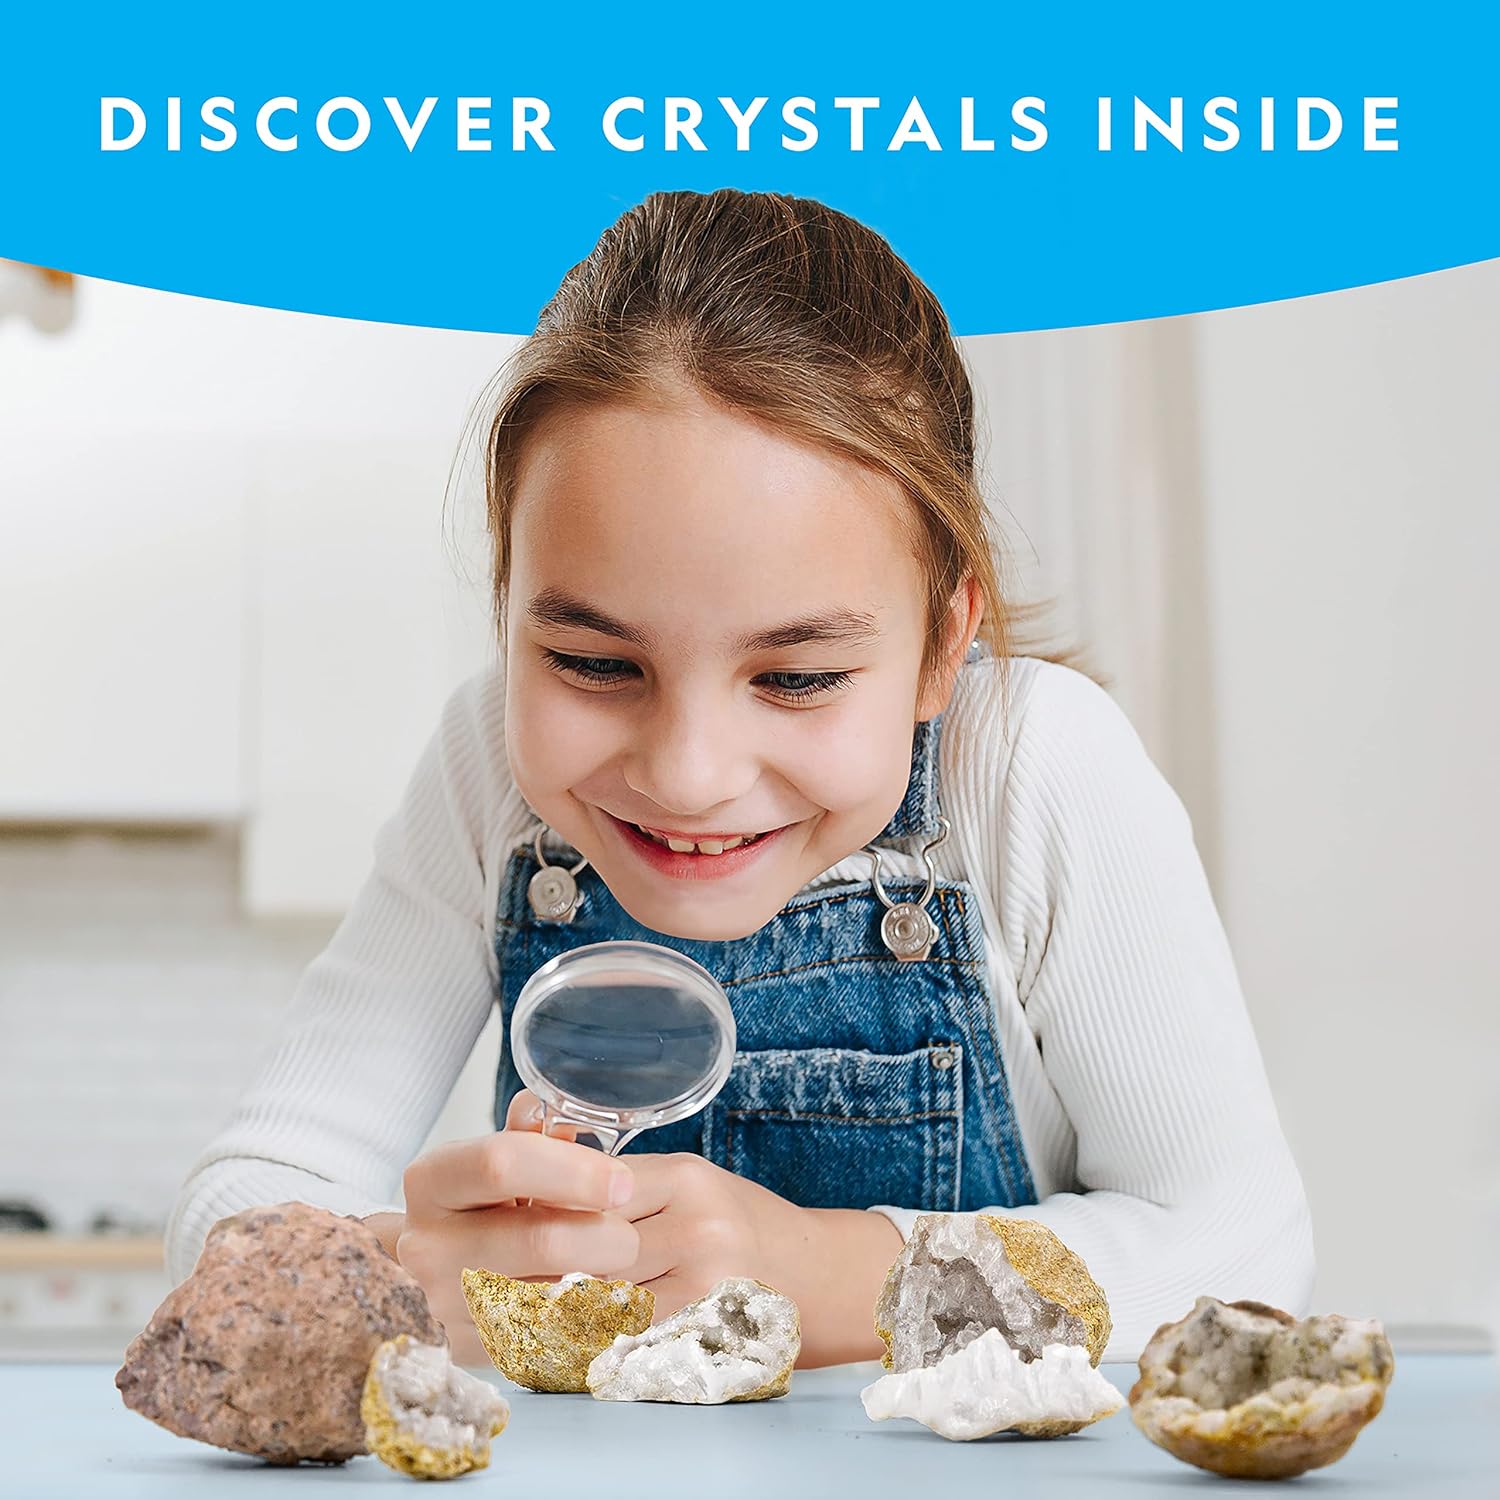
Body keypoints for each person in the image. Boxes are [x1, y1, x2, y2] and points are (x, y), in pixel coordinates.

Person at [167, 188, 1314, 1367]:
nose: (690, 774)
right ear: (505, 609)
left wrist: (833, 1279)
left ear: (939, 644)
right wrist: (399, 1276)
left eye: (800, 677)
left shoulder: (1030, 767)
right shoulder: (484, 776)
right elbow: (239, 1208)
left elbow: (1239, 1249)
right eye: (594, 662)